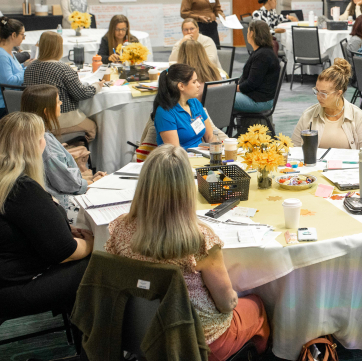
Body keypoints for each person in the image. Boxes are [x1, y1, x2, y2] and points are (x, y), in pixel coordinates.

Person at [105, 145, 270, 361]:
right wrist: (236, 296)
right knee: (257, 305)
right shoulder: (199, 240)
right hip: (199, 344)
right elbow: (225, 304)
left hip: (141, 335)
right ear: (187, 189)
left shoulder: (120, 228)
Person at [0, 112, 94, 322]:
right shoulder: (21, 188)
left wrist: (60, 228)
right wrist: (92, 243)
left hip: (9, 279)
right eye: (43, 137)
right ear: (36, 145)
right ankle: (95, 336)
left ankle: (81, 329)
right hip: (14, 288)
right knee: (100, 262)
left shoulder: (7, 181)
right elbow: (65, 252)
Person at [21, 84, 106, 211]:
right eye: (57, 101)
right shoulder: (45, 143)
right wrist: (95, 182)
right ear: (47, 111)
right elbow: (66, 184)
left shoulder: (23, 133)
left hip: (46, 197)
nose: (61, 103)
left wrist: (90, 179)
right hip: (61, 203)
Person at [24, 32, 102, 142]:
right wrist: (96, 86)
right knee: (92, 127)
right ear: (59, 48)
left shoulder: (29, 68)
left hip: (35, 119)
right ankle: (74, 149)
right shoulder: (62, 68)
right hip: (59, 118)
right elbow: (81, 94)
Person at [292, 58, 362, 152]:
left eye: (323, 93)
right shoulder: (308, 115)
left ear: (338, 93)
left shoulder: (359, 118)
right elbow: (294, 150)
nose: (318, 97)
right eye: (316, 91)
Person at [152, 64, 214, 149]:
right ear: (181, 86)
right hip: (182, 156)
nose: (199, 85)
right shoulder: (165, 112)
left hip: (202, 153)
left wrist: (216, 149)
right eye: (194, 82)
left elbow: (210, 136)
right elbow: (175, 152)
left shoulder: (194, 102)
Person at [235, 20, 281, 113]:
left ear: (252, 33)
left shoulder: (262, 56)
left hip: (259, 100)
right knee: (222, 96)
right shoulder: (262, 52)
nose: (247, 34)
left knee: (220, 97)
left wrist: (234, 88)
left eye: (248, 32)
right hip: (257, 97)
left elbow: (251, 84)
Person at [0, 16, 28, 118]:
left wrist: (24, 65)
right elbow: (8, 81)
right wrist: (27, 70)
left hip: (10, 100)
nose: (24, 38)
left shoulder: (8, 52)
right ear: (13, 35)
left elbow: (13, 70)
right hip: (5, 105)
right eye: (22, 35)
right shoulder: (2, 55)